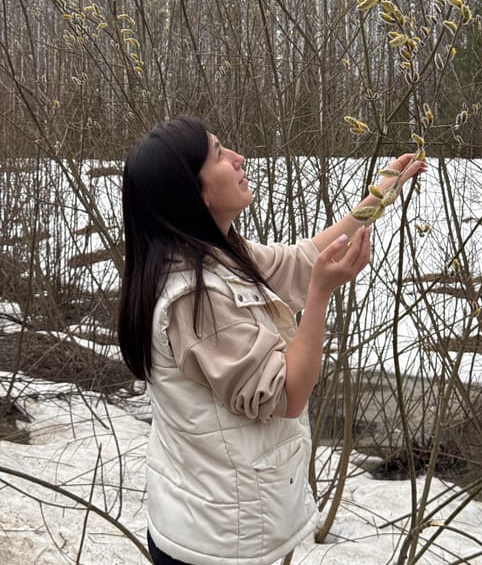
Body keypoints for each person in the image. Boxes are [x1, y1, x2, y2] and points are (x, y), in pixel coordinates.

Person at [117, 116, 426, 565]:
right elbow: (287, 394)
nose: (239, 158)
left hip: (214, 526)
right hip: (217, 546)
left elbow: (300, 261)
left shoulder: (215, 254)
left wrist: (376, 200)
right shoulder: (193, 298)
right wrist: (320, 296)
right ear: (194, 190)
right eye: (219, 153)